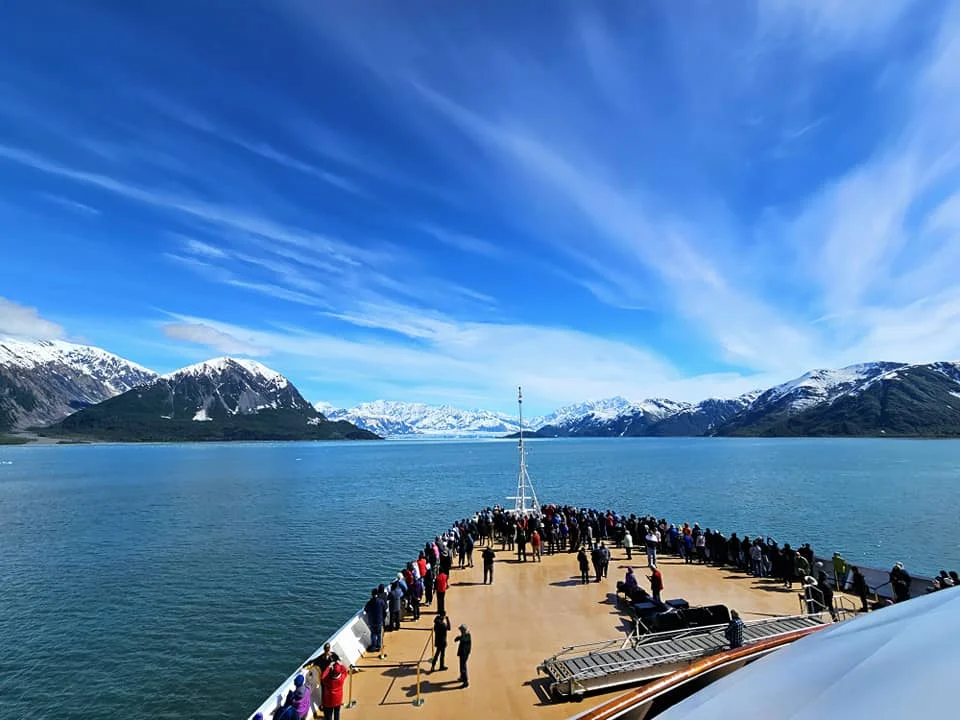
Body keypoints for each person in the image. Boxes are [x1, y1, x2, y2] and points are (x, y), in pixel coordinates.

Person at [320, 655, 348, 720]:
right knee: (337, 713)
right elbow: (345, 671)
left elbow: (322, 677)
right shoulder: (341, 678)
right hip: (338, 700)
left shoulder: (328, 680)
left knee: (329, 714)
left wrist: (328, 667)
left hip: (329, 701)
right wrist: (341, 665)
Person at [455, 623, 472, 688]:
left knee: (463, 667)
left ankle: (465, 682)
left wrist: (459, 638)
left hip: (464, 654)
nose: (460, 631)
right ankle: (462, 677)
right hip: (463, 653)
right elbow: (462, 637)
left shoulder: (466, 636)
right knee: (462, 666)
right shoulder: (465, 635)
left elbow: (463, 638)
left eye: (461, 630)